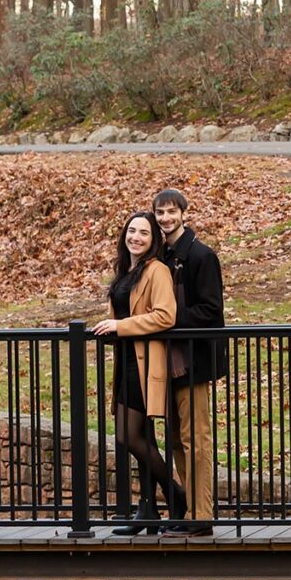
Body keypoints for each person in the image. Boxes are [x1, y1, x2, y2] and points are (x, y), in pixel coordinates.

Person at [92, 211, 186, 535]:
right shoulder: (127, 270)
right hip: (125, 360)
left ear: (153, 239)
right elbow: (122, 310)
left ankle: (177, 497)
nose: (136, 237)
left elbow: (165, 315)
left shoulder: (157, 270)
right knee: (141, 438)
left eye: (144, 233)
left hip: (145, 363)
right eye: (132, 231)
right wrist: (109, 329)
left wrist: (121, 326)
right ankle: (148, 508)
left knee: (129, 435)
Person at [153, 189, 228, 538]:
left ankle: (202, 517)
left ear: (184, 213)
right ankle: (186, 512)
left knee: (195, 440)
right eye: (160, 212)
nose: (166, 218)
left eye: (171, 211)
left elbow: (211, 311)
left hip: (193, 361)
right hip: (167, 361)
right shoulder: (162, 257)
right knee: (174, 441)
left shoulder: (201, 255)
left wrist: (167, 319)